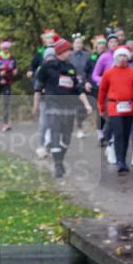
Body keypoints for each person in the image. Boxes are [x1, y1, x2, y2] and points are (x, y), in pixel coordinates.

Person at [33, 38, 93, 178]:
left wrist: (87, 104)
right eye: (68, 50)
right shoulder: (47, 67)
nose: (71, 52)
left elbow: (78, 89)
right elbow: (38, 88)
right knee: (55, 133)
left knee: (66, 139)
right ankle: (58, 165)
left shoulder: (70, 68)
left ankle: (59, 157)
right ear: (61, 51)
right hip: (52, 105)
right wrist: (36, 106)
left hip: (68, 107)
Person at [98, 46, 133, 173]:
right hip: (114, 106)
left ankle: (123, 160)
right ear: (116, 57)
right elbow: (102, 91)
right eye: (120, 56)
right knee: (119, 132)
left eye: (125, 56)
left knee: (126, 134)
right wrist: (101, 107)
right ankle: (120, 161)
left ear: (128, 58)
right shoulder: (109, 73)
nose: (122, 58)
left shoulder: (132, 72)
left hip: (129, 107)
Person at [29, 29, 58, 157]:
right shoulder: (41, 68)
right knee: (43, 123)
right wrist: (35, 106)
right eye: (48, 57)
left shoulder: (60, 68)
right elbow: (37, 89)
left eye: (53, 57)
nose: (50, 59)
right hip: (44, 99)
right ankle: (41, 146)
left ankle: (52, 145)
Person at [92, 34, 119, 158]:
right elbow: (95, 75)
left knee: (120, 119)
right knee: (110, 118)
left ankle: (115, 142)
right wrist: (104, 80)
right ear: (108, 44)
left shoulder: (123, 55)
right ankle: (108, 140)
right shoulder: (104, 57)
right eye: (111, 42)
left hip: (123, 93)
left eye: (115, 41)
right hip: (108, 92)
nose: (113, 43)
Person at [0, 40, 17, 132]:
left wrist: (15, 72)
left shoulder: (12, 58)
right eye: (4, 48)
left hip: (7, 82)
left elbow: (15, 69)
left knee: (6, 103)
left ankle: (5, 124)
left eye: (7, 48)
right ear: (1, 48)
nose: (6, 49)